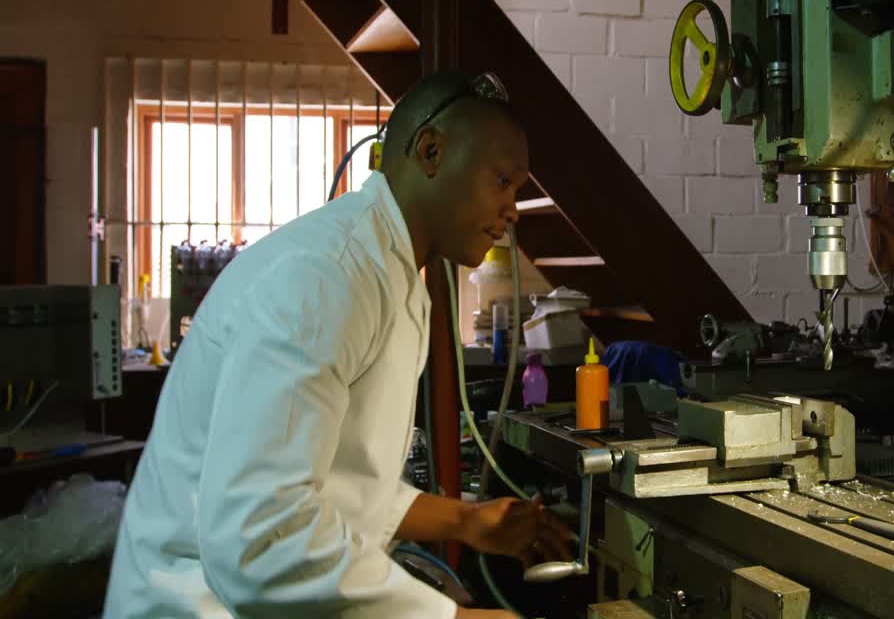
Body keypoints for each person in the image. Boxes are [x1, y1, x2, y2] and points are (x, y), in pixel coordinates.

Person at [105, 72, 572, 618]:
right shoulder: (327, 276)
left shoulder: (394, 279)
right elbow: (261, 537)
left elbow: (335, 482)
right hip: (192, 601)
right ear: (430, 151)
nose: (513, 210)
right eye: (502, 181)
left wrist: (465, 520)